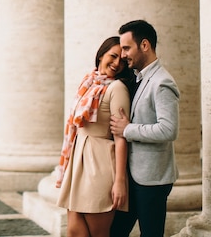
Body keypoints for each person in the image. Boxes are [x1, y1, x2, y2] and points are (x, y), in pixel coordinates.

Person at [56, 36, 133, 237]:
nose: (117, 63)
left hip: (100, 166)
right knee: (74, 231)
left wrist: (119, 181)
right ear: (101, 55)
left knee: (98, 233)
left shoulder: (117, 88)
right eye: (113, 56)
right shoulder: (89, 82)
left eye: (122, 61)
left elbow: (121, 137)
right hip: (79, 161)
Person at [109, 20, 180, 237]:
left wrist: (128, 129)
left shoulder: (162, 82)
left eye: (127, 48)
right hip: (134, 177)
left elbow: (169, 130)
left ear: (145, 45)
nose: (122, 55)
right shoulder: (139, 78)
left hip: (152, 180)